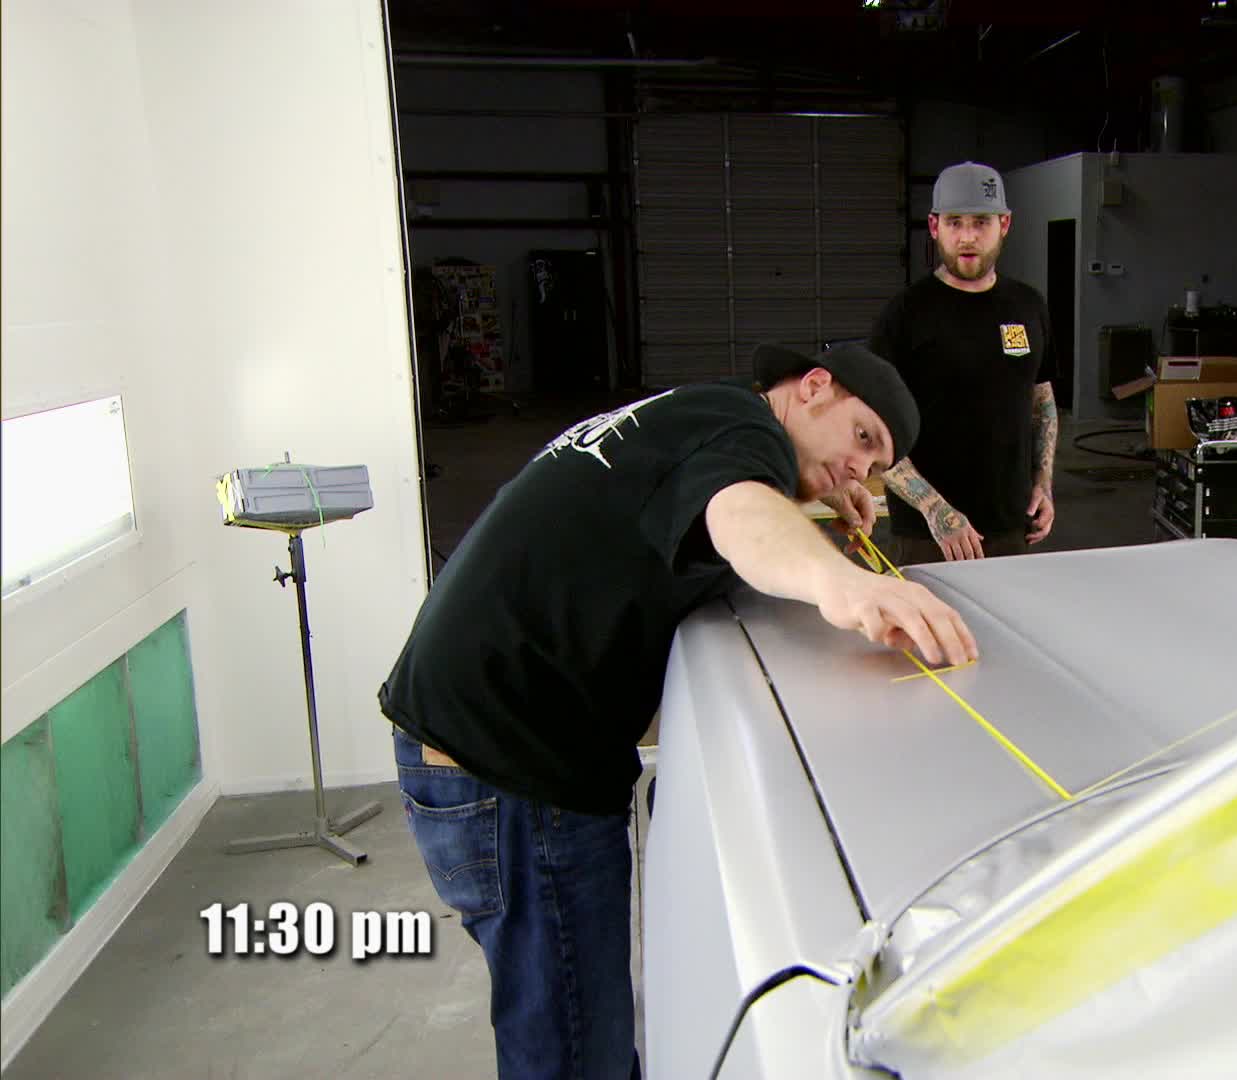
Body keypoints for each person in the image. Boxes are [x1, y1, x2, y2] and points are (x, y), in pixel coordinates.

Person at [376, 342, 977, 1080]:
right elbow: (740, 514)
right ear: (815, 387)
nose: (859, 470)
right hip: (512, 769)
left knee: (574, 1025)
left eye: (875, 466)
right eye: (861, 438)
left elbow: (718, 501)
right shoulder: (745, 435)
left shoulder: (706, 414)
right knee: (576, 1053)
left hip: (474, 740)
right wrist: (843, 584)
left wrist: (809, 506)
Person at [868, 160, 1060, 565]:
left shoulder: (1028, 305)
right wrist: (936, 510)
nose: (968, 237)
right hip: (929, 534)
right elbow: (872, 429)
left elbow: (1041, 400)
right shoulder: (904, 315)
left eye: (981, 222)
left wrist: (1043, 484)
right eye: (955, 222)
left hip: (1012, 524)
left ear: (1004, 224)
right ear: (934, 226)